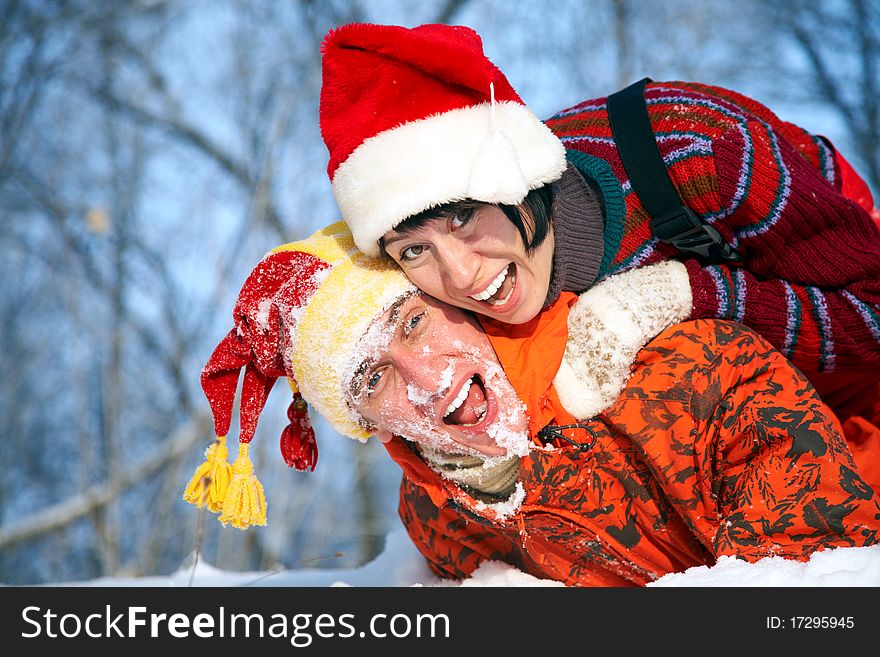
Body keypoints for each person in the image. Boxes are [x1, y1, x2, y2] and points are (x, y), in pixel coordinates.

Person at [183, 222, 880, 586]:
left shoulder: (692, 373)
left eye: (413, 323)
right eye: (373, 381)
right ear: (367, 424)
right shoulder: (437, 518)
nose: (424, 378)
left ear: (459, 305)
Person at [318, 22, 880, 427]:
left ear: (514, 179)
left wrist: (684, 292)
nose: (461, 276)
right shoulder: (468, 292)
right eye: (413, 251)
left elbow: (874, 317)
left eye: (464, 218)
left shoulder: (704, 157)